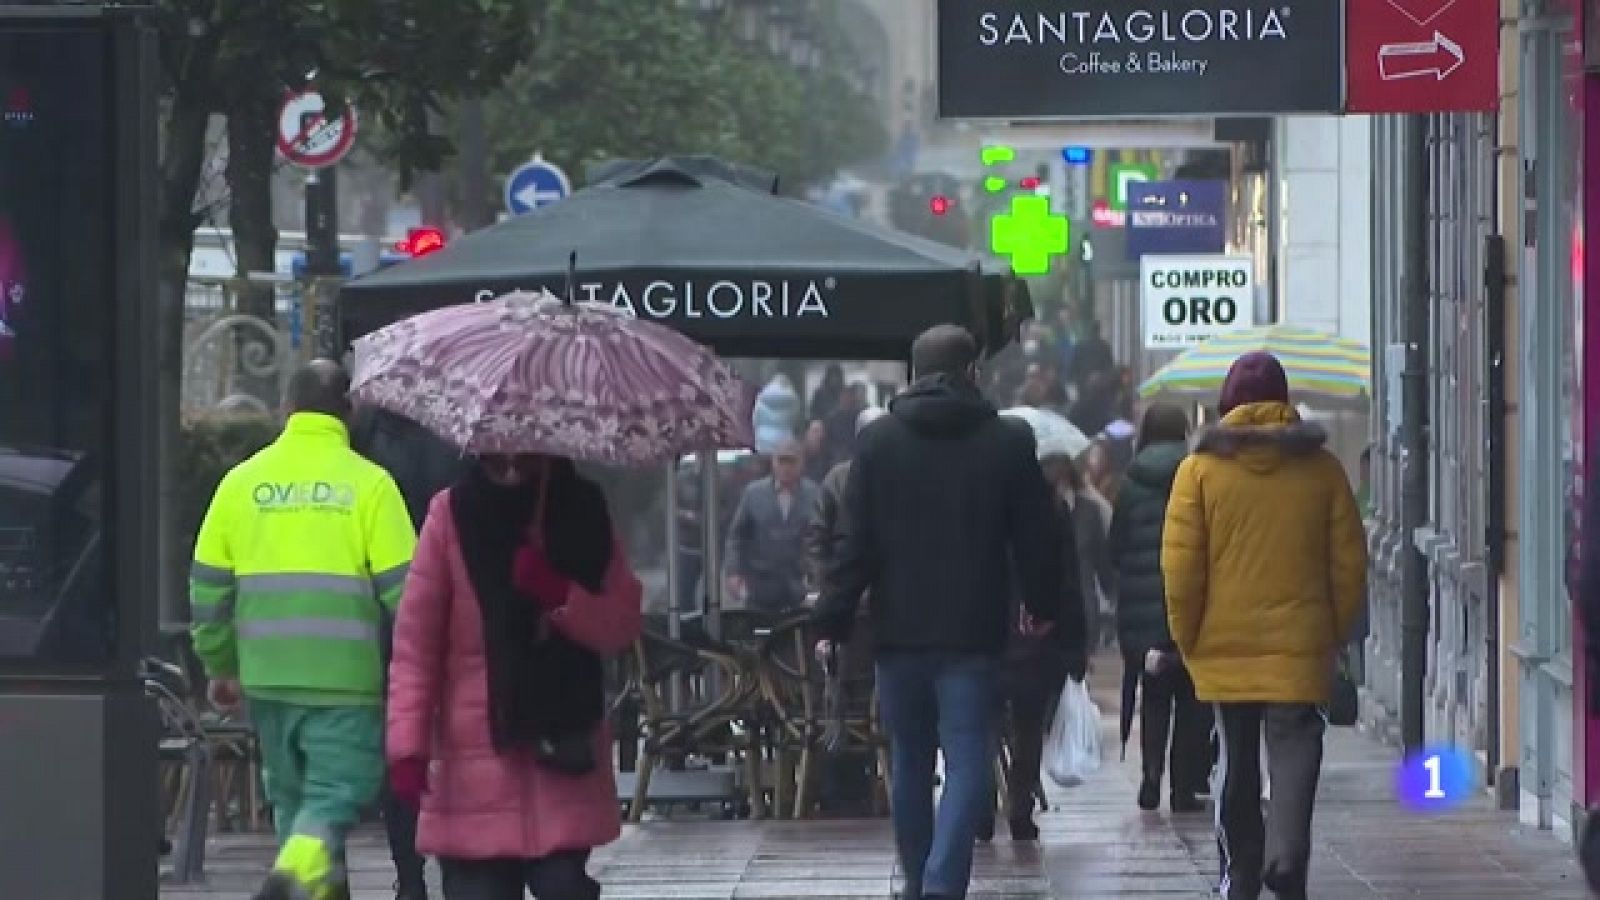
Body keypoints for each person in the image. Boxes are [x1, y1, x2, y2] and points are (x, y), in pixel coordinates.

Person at [815, 324, 1068, 900]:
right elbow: (1036, 536)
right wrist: (1042, 605)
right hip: (972, 629)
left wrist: (831, 618)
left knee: (908, 758)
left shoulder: (878, 443)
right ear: (972, 372)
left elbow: (854, 544)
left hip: (898, 629)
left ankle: (916, 878)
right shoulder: (1007, 441)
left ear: (913, 371)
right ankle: (941, 884)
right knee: (968, 757)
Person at [189, 360, 417, 900]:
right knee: (335, 799)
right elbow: (410, 597)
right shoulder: (372, 486)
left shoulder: (240, 485)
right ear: (349, 412)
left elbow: (206, 588)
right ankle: (290, 877)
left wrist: (221, 665)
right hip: (346, 685)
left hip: (267, 682)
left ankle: (303, 875)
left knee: (295, 806)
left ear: (286, 410)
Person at [386, 453, 642, 900]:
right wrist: (408, 747)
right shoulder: (452, 515)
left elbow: (620, 624)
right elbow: (415, 646)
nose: (509, 461)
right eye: (497, 451)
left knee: (562, 886)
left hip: (562, 757)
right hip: (473, 773)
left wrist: (561, 594)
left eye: (522, 449)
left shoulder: (580, 509)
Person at [1161, 352, 1367, 900]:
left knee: (1235, 759)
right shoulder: (1322, 470)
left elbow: (1181, 569)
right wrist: (1335, 632)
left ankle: (1241, 872)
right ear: (1285, 401)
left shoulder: (1198, 472)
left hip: (1223, 646)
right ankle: (1286, 855)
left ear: (1227, 405)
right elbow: (1348, 564)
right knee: (1297, 749)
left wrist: (1188, 637)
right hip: (1300, 644)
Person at [349, 407, 471, 900]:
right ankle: (459, 865)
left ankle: (411, 875)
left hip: (387, 607)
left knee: (403, 744)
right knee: (459, 745)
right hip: (454, 601)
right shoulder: (458, 436)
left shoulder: (367, 440)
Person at [982, 422, 1089, 843]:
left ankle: (981, 807)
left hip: (988, 630)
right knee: (1028, 727)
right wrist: (1073, 642)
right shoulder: (1050, 506)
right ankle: (1020, 807)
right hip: (1036, 632)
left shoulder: (982, 501)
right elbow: (1068, 581)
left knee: (984, 724)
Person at [1109, 402, 1209, 815]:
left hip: (1143, 607)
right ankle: (1183, 789)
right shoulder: (1199, 475)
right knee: (1191, 698)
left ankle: (1150, 778)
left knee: (1154, 695)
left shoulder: (1130, 484)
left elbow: (1115, 546)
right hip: (1190, 601)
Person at [724, 437, 822, 616]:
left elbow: (821, 536)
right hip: (761, 584)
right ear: (773, 463)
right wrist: (733, 571)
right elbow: (736, 536)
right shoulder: (753, 494)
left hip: (798, 585)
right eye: (781, 461)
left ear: (802, 464)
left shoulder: (814, 494)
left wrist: (819, 576)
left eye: (791, 461)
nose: (786, 467)